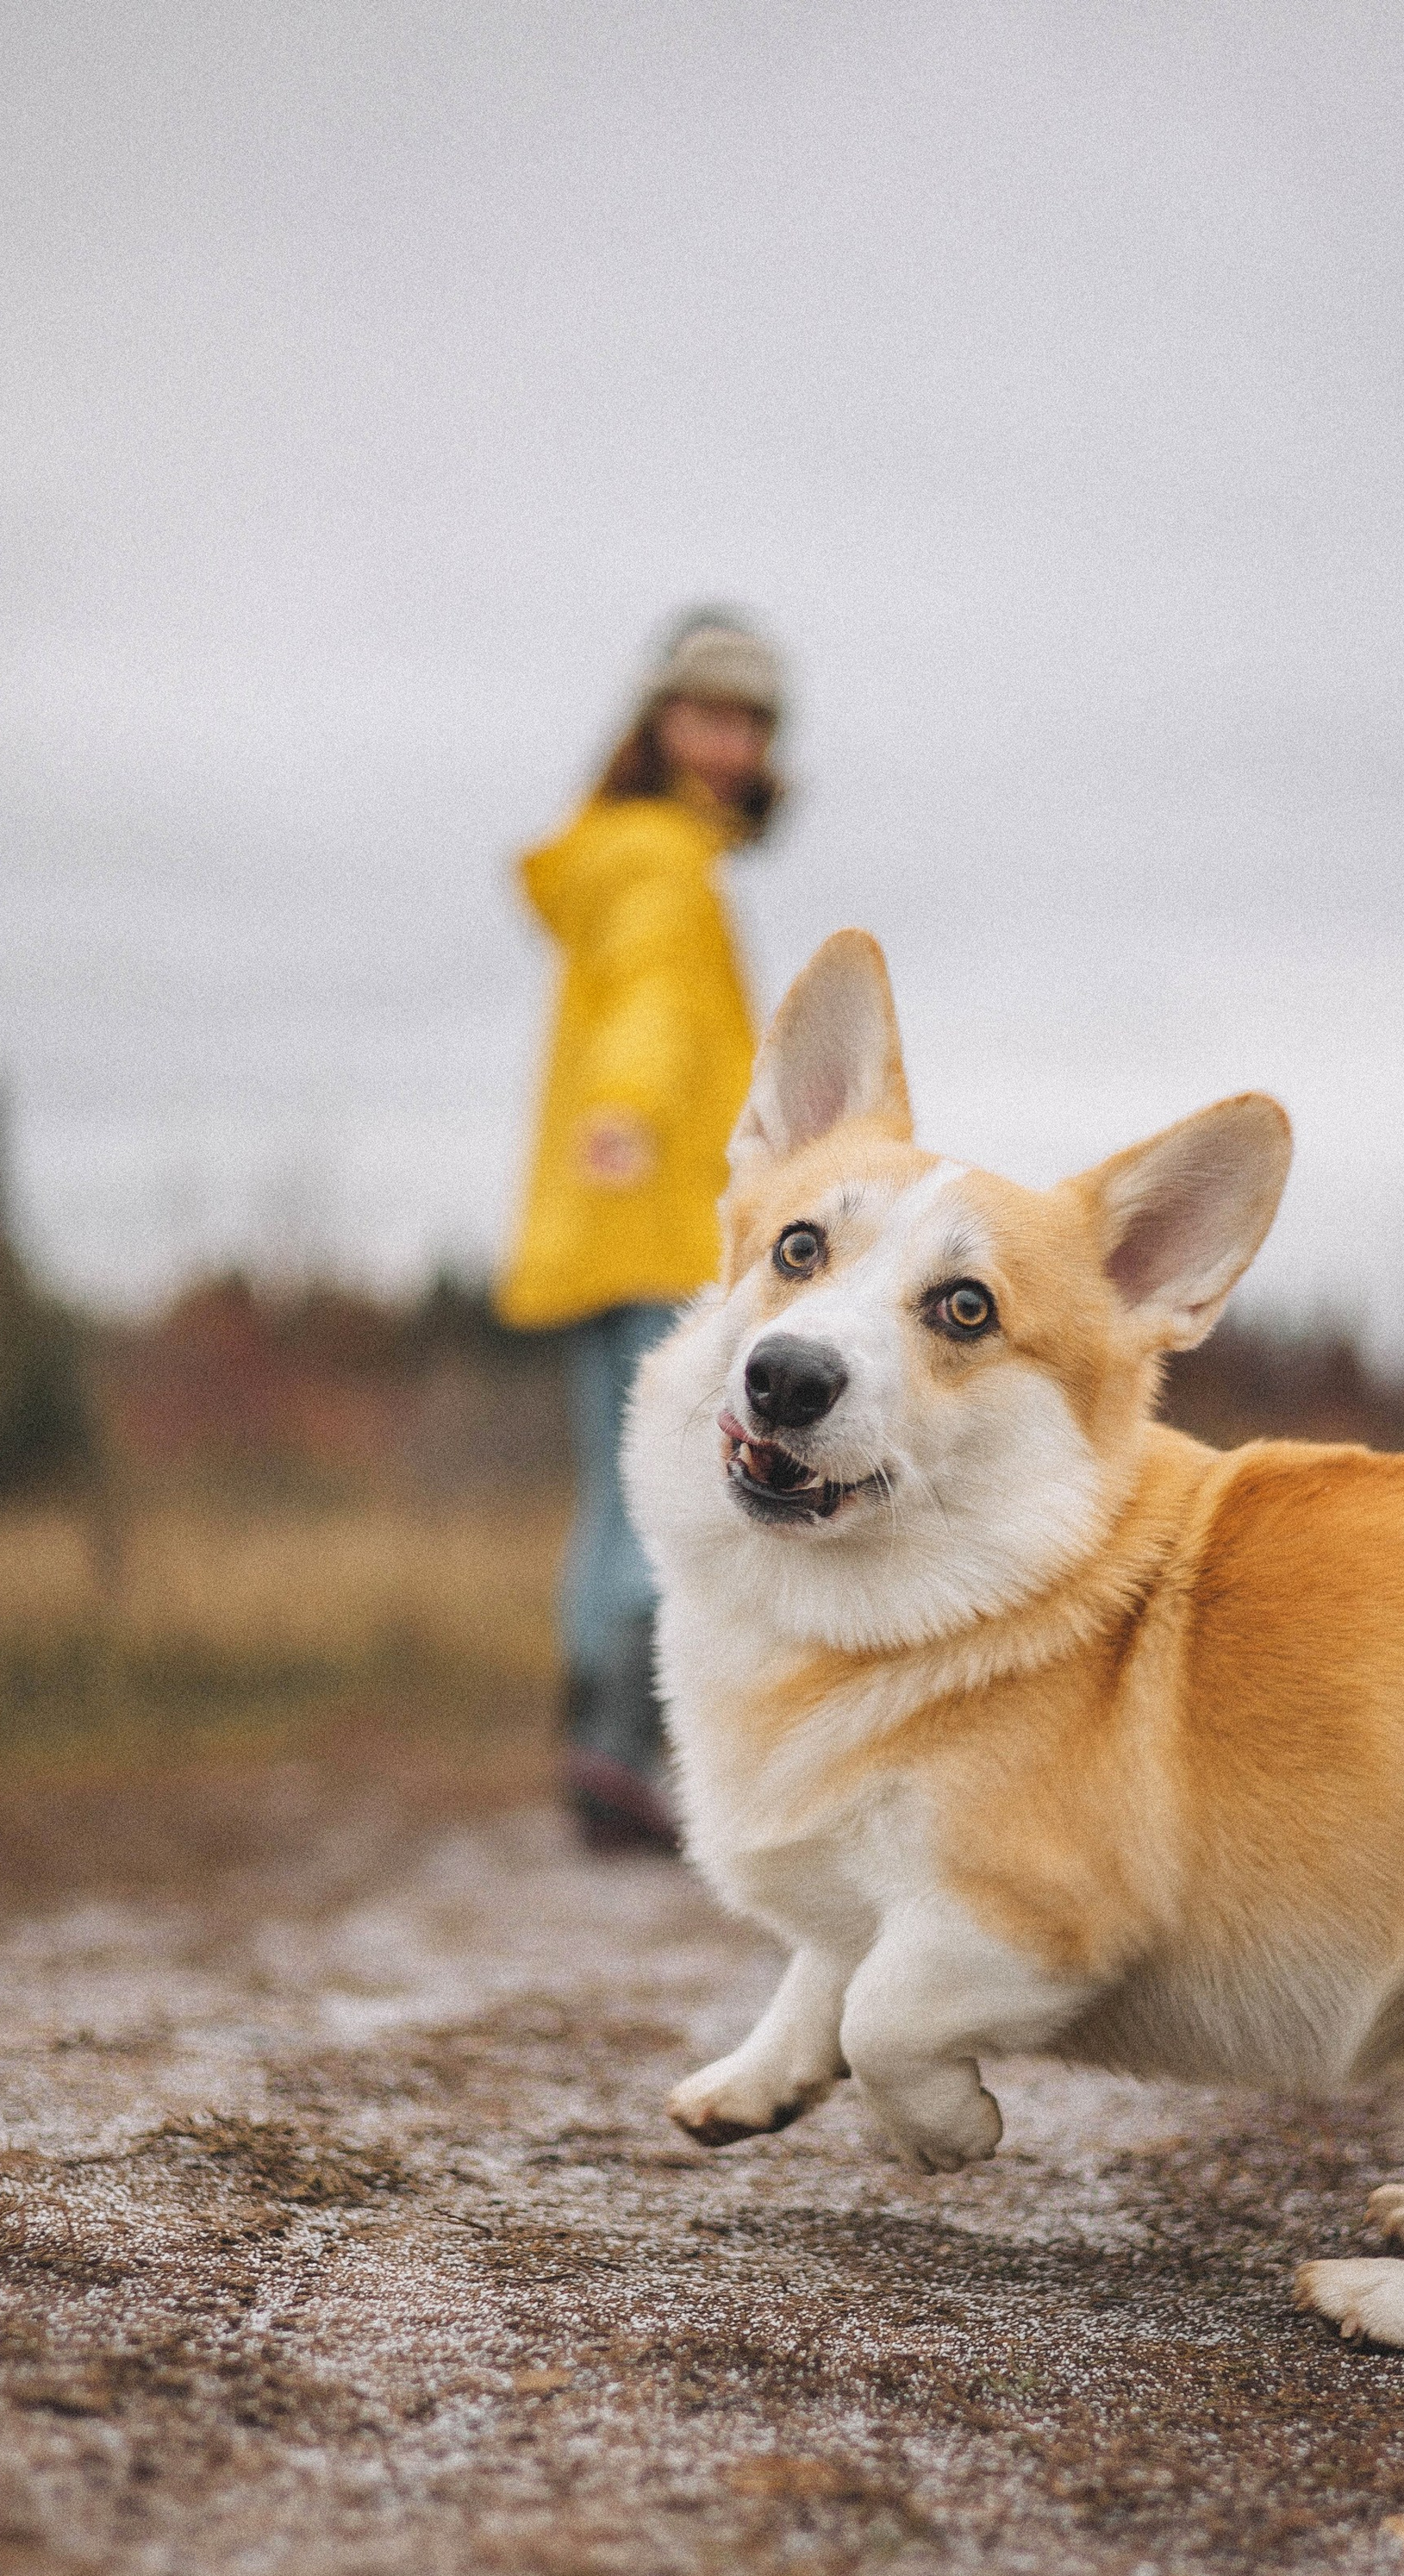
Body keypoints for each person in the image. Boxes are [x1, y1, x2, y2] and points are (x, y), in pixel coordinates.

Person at [496, 609, 785, 1850]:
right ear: (658, 725)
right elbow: (655, 1013)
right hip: (660, 1216)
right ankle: (620, 1751)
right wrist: (625, 1115)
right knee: (666, 1489)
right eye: (710, 716)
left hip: (597, 1224)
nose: (732, 745)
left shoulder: (618, 853)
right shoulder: (665, 858)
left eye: (752, 724)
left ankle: (593, 1746)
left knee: (613, 1496)